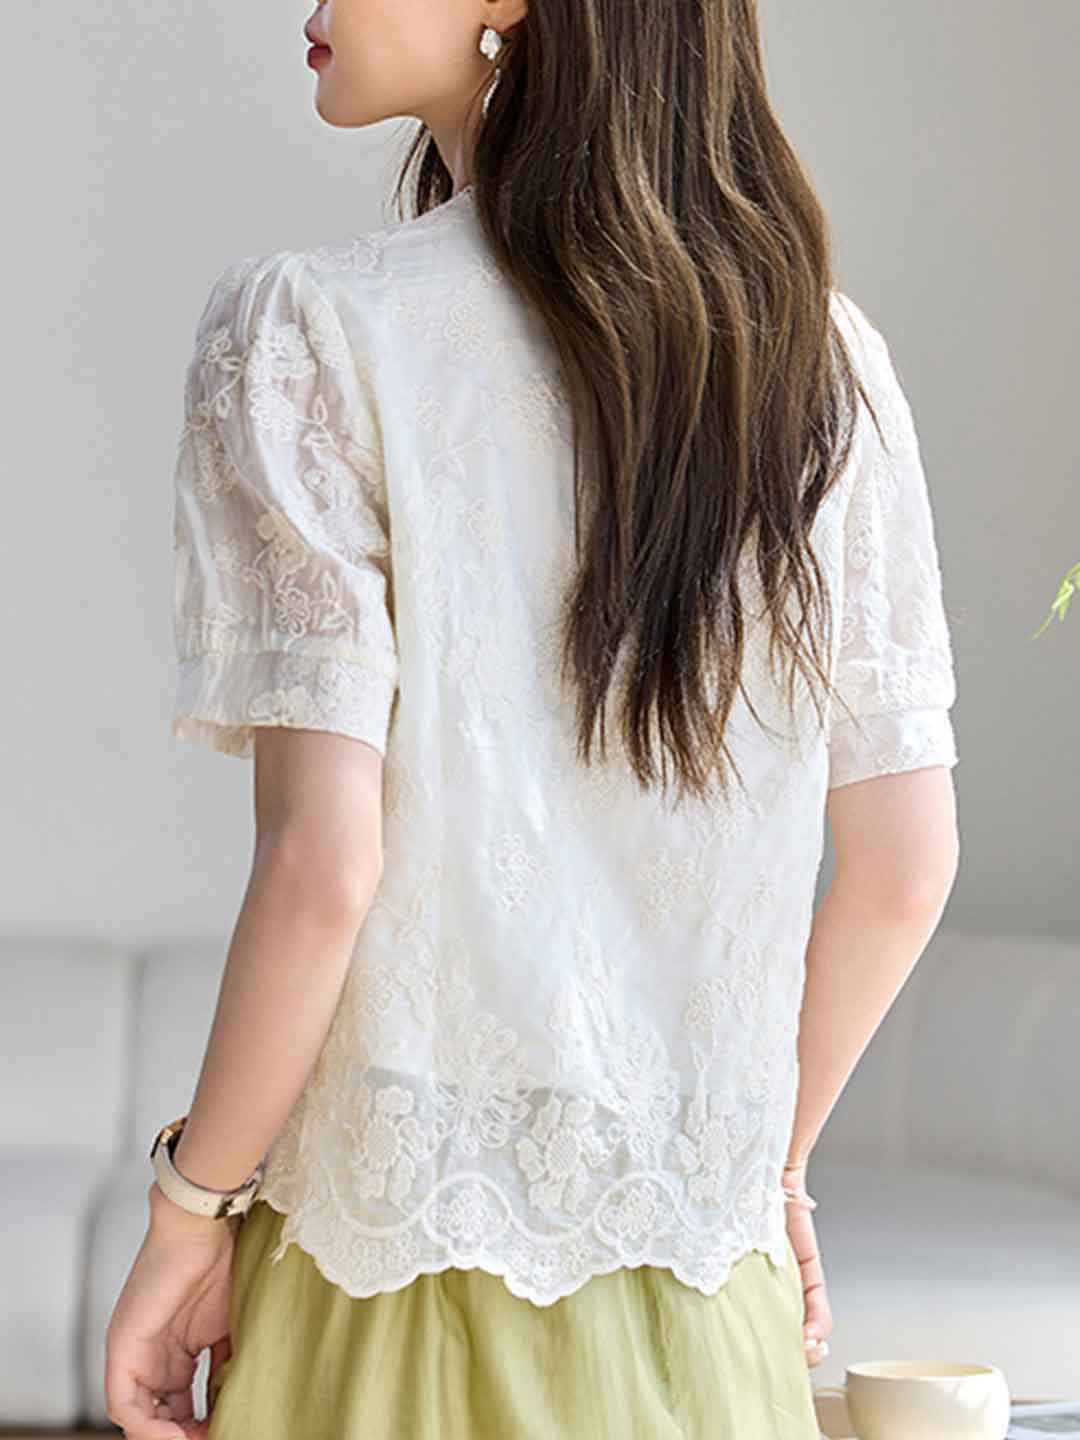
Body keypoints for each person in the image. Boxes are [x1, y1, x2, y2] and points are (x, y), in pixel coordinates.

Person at [103, 0, 961, 1435]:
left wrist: (190, 1210)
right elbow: (906, 866)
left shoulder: (312, 332)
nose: (313, 9)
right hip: (710, 1303)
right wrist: (760, 1164)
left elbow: (324, 869)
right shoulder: (826, 360)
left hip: (390, 1288)